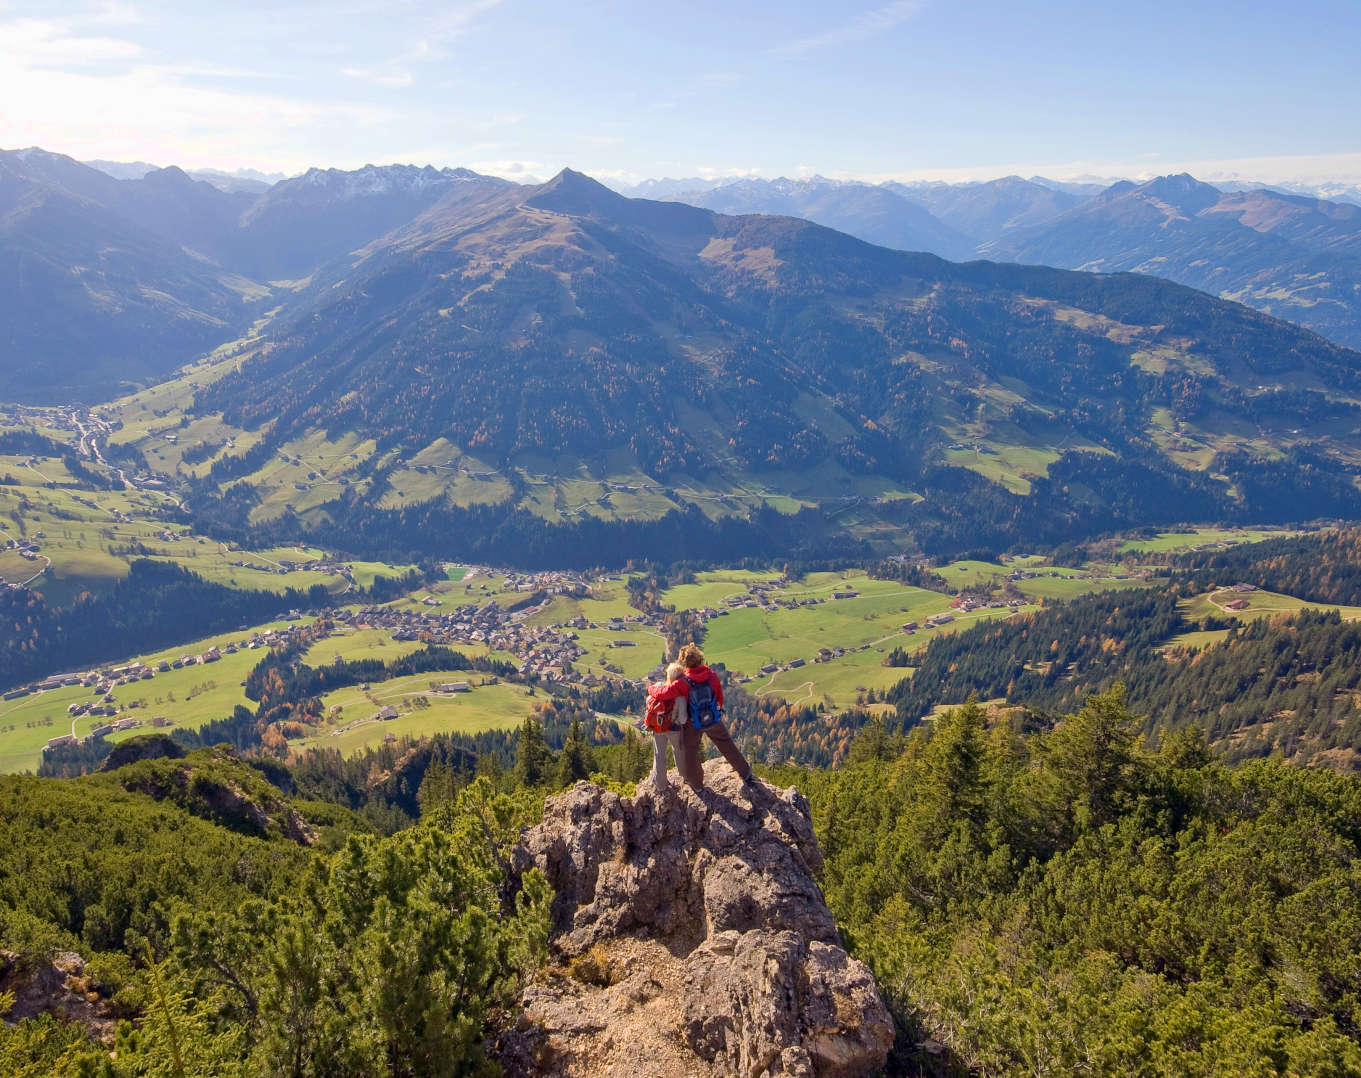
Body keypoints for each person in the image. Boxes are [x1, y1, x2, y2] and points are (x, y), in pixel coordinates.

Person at [647, 642, 754, 791]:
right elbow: (719, 696)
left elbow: (662, 694)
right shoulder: (711, 675)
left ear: (684, 663)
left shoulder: (682, 683)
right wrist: (715, 711)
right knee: (726, 744)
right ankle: (746, 772)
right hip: (712, 718)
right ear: (700, 658)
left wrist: (650, 688)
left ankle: (696, 785)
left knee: (690, 751)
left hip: (693, 723)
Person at [639, 662, 687, 792]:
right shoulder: (680, 696)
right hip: (674, 729)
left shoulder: (659, 687)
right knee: (678, 751)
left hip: (658, 727)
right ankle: (684, 777)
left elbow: (649, 701)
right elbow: (682, 719)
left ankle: (660, 785)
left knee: (659, 754)